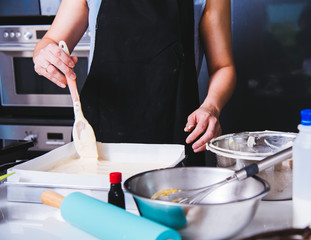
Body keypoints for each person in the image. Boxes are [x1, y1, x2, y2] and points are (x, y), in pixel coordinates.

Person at [33, 0, 236, 166]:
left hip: (173, 139)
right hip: (98, 139)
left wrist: (211, 107)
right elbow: (50, 40)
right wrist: (45, 55)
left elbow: (223, 66)